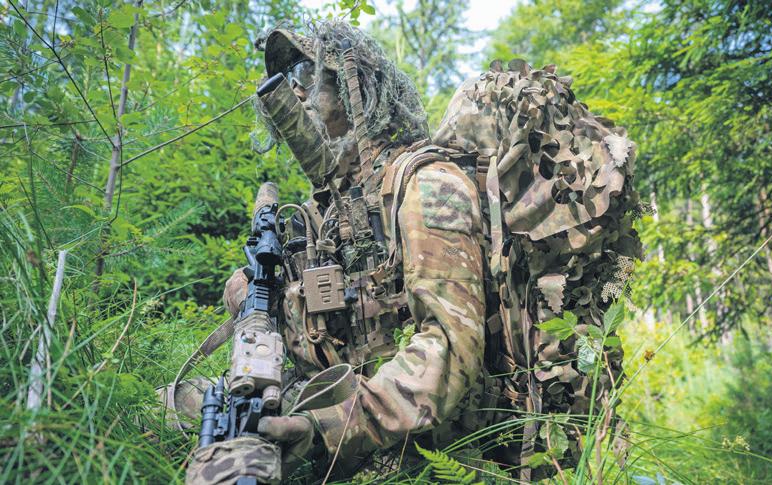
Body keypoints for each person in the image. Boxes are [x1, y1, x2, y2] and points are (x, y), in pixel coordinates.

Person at [176, 19, 640, 484]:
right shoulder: (331, 214)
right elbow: (339, 341)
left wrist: (325, 430)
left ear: (355, 87)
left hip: (444, 459)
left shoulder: (426, 185)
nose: (295, 93)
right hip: (367, 443)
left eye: (306, 75)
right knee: (168, 409)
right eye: (287, 80)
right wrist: (267, 306)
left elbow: (449, 350)